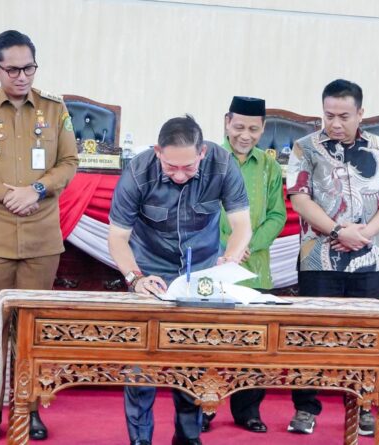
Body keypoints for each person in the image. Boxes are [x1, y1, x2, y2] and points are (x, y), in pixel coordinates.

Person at [0, 30, 79, 442]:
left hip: (40, 237)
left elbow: (69, 161)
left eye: (29, 68)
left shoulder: (54, 108)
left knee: (32, 330)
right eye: (13, 70)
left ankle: (30, 409)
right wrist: (5, 193)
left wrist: (36, 189)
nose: (22, 77)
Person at [108, 115, 251, 445]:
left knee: (194, 361)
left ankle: (188, 438)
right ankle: (140, 440)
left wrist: (230, 259)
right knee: (141, 365)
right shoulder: (138, 171)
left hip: (200, 273)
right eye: (171, 167)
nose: (180, 175)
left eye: (188, 167)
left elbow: (242, 224)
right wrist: (135, 278)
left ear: (202, 152)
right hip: (149, 272)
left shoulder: (222, 164)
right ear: (157, 151)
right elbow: (117, 237)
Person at [285, 79, 379, 436]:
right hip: (319, 257)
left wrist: (363, 234)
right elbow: (299, 198)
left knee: (364, 335)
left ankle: (361, 404)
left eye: (344, 116)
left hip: (368, 257)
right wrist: (338, 231)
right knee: (311, 334)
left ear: (360, 113)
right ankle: (306, 407)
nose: (335, 123)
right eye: (329, 115)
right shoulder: (305, 147)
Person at [201, 96, 286, 434]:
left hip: (254, 267)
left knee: (255, 343)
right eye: (239, 127)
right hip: (213, 263)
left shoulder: (270, 166)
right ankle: (203, 407)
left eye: (253, 129)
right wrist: (229, 247)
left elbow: (278, 215)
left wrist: (248, 244)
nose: (245, 135)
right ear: (226, 122)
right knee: (210, 341)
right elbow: (197, 210)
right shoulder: (207, 159)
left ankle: (248, 410)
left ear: (263, 128)